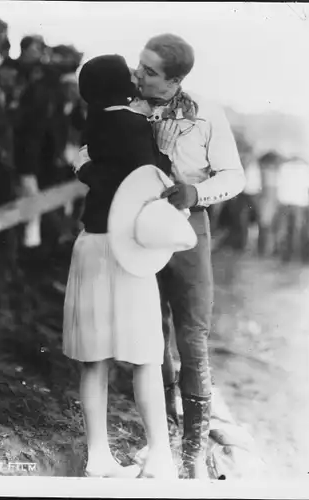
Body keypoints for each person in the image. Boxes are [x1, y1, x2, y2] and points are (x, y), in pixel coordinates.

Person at [76, 34, 246, 479]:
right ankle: (164, 443)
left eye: (149, 72)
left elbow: (235, 175)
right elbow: (83, 151)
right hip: (130, 228)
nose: (137, 75)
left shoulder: (206, 113)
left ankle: (192, 452)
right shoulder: (125, 108)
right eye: (139, 66)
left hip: (184, 226)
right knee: (151, 338)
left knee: (191, 336)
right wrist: (93, 174)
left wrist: (198, 191)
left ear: (175, 79)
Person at [63, 54, 178, 479]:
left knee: (94, 360)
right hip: (128, 248)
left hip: (92, 243)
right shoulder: (135, 125)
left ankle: (98, 457)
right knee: (145, 356)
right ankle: (161, 457)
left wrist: (86, 168)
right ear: (119, 85)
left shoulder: (92, 127)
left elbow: (101, 174)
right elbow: (151, 177)